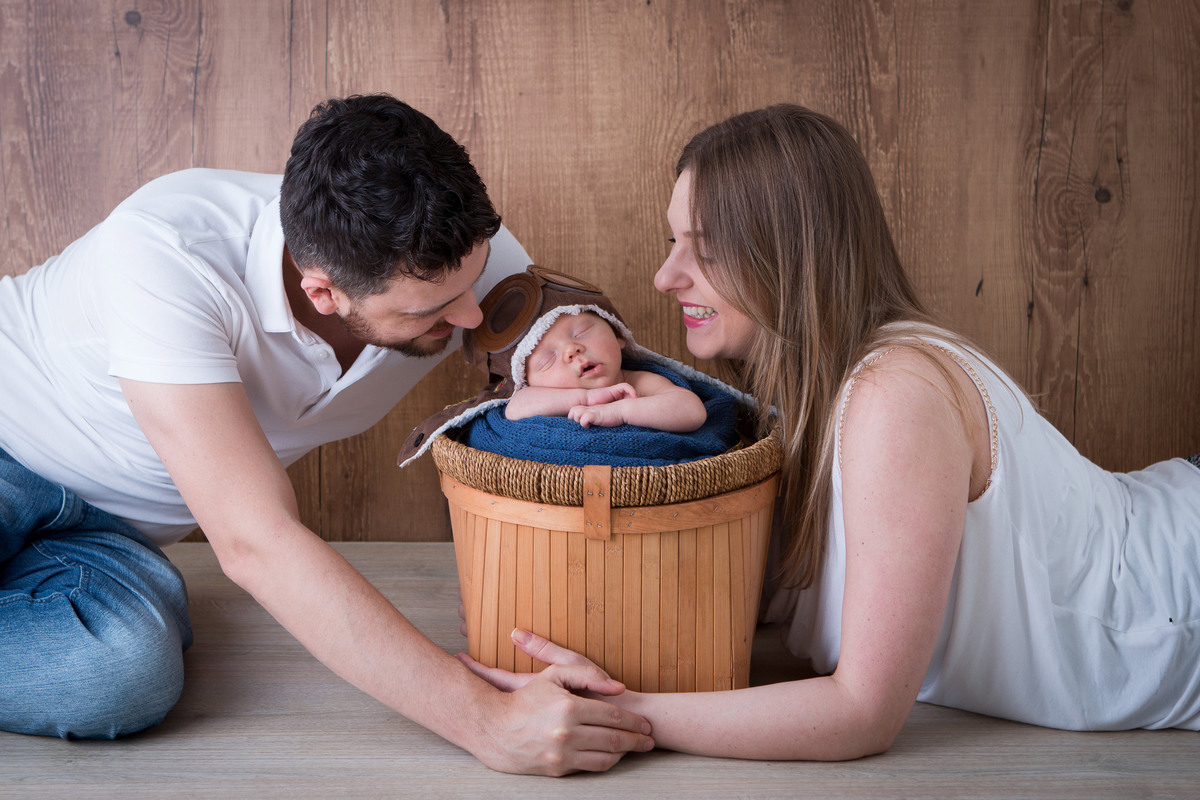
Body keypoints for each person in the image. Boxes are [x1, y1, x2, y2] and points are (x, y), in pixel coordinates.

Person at [460, 103, 1200, 760]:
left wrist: (614, 711)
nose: (665, 276)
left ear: (790, 254)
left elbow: (862, 714)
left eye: (705, 248)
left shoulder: (895, 395)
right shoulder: (795, 390)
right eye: (674, 240)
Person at [0, 93, 653, 774]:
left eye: (474, 279)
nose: (471, 316)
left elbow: (588, 401)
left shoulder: (475, 260)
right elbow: (256, 542)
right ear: (323, 293)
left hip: (100, 542)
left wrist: (514, 586)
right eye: (433, 310)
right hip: (7, 449)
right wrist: (487, 722)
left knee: (121, 673)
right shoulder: (168, 250)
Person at [506, 309, 706, 431]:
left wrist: (620, 411)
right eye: (548, 360)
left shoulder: (636, 383)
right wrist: (586, 398)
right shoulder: (539, 396)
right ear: (527, 382)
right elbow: (514, 409)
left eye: (582, 332)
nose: (571, 350)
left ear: (618, 335)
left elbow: (691, 410)